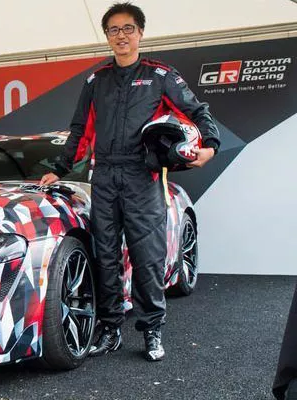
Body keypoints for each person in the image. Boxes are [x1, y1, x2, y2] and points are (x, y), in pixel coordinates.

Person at [40, 2, 220, 361]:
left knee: (147, 257)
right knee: (105, 257)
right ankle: (110, 331)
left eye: (127, 29)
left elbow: (197, 111)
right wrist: (60, 168)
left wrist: (210, 146)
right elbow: (80, 130)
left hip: (143, 176)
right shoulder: (96, 81)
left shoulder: (160, 75)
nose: (121, 36)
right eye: (113, 30)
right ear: (106, 36)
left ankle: (152, 331)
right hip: (103, 176)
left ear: (139, 32)